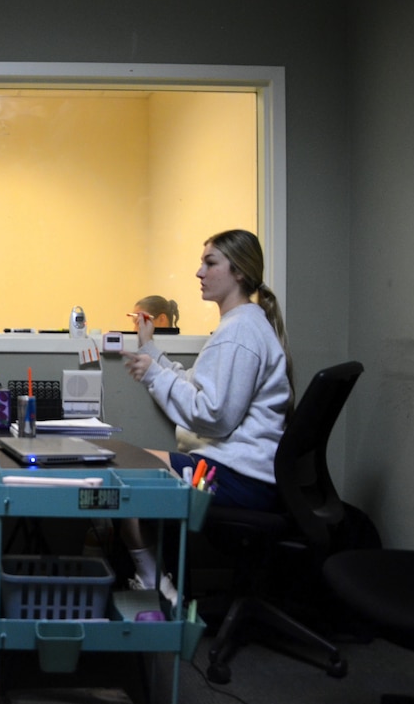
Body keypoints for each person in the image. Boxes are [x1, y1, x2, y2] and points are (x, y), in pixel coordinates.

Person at [117, 229, 294, 604]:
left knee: (129, 473)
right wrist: (152, 351)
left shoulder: (240, 332)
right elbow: (199, 387)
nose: (199, 272)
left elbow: (214, 416)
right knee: (133, 469)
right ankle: (158, 581)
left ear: (239, 273)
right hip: (240, 470)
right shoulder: (241, 326)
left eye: (210, 263)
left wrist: (153, 372)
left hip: (243, 478)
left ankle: (155, 586)